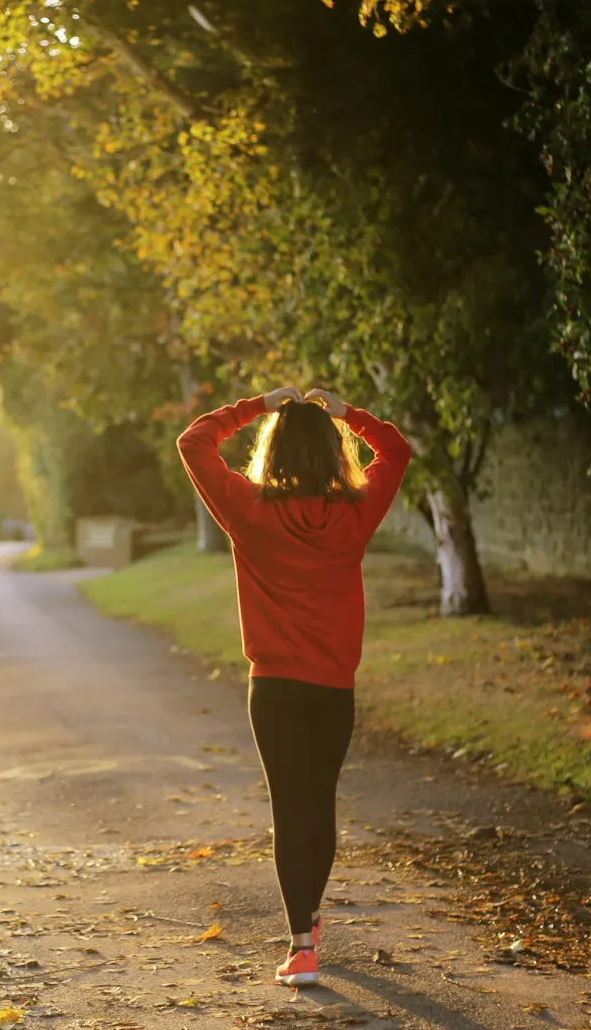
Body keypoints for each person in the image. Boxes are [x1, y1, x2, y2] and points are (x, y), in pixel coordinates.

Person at [176, 385, 413, 988]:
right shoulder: (356, 512)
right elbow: (397, 449)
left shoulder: (248, 509)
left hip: (275, 688)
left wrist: (257, 405)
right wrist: (346, 414)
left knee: (290, 808)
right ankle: (307, 920)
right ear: (333, 454)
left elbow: (194, 442)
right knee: (320, 804)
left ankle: (302, 946)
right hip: (333, 688)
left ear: (273, 452)